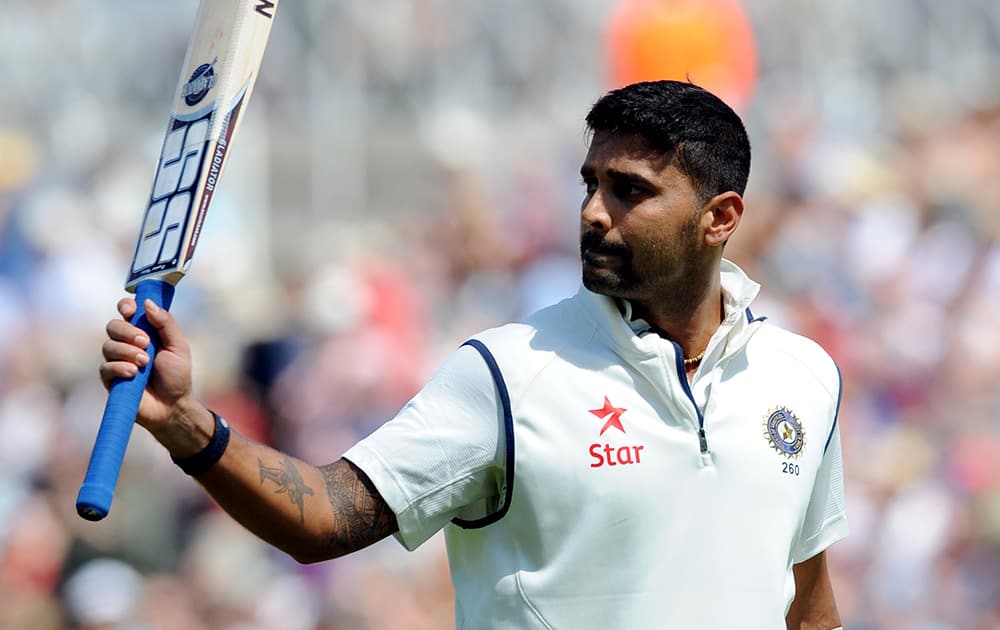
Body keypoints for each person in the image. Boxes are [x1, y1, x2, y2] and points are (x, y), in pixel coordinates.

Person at [99, 80, 847, 629]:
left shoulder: (804, 377)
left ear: (720, 219)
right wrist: (190, 427)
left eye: (629, 191)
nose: (592, 210)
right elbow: (324, 516)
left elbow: (808, 609)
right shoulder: (507, 372)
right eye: (590, 183)